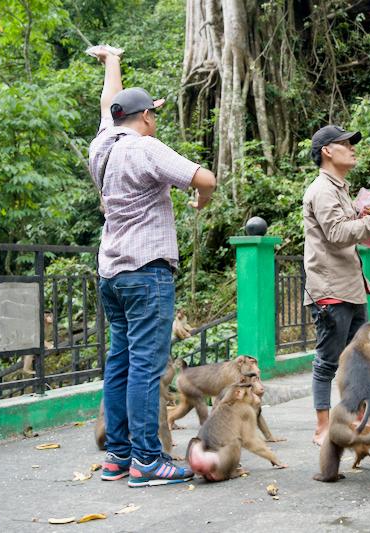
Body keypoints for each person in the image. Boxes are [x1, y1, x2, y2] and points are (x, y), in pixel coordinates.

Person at [89, 47, 216, 487]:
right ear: (144, 118)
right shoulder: (146, 148)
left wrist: (112, 59)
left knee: (120, 363)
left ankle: (117, 458)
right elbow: (206, 178)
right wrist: (200, 199)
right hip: (147, 271)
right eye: (154, 115)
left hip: (112, 274)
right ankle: (147, 460)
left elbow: (109, 100)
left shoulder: (103, 145)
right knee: (146, 366)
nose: (155, 122)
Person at [303, 125, 370, 445]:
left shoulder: (340, 189)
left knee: (362, 359)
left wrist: (363, 213)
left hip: (351, 287)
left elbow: (348, 227)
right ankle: (322, 426)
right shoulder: (321, 190)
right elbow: (336, 235)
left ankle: (360, 419)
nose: (353, 148)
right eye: (345, 144)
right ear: (327, 151)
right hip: (330, 290)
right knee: (328, 361)